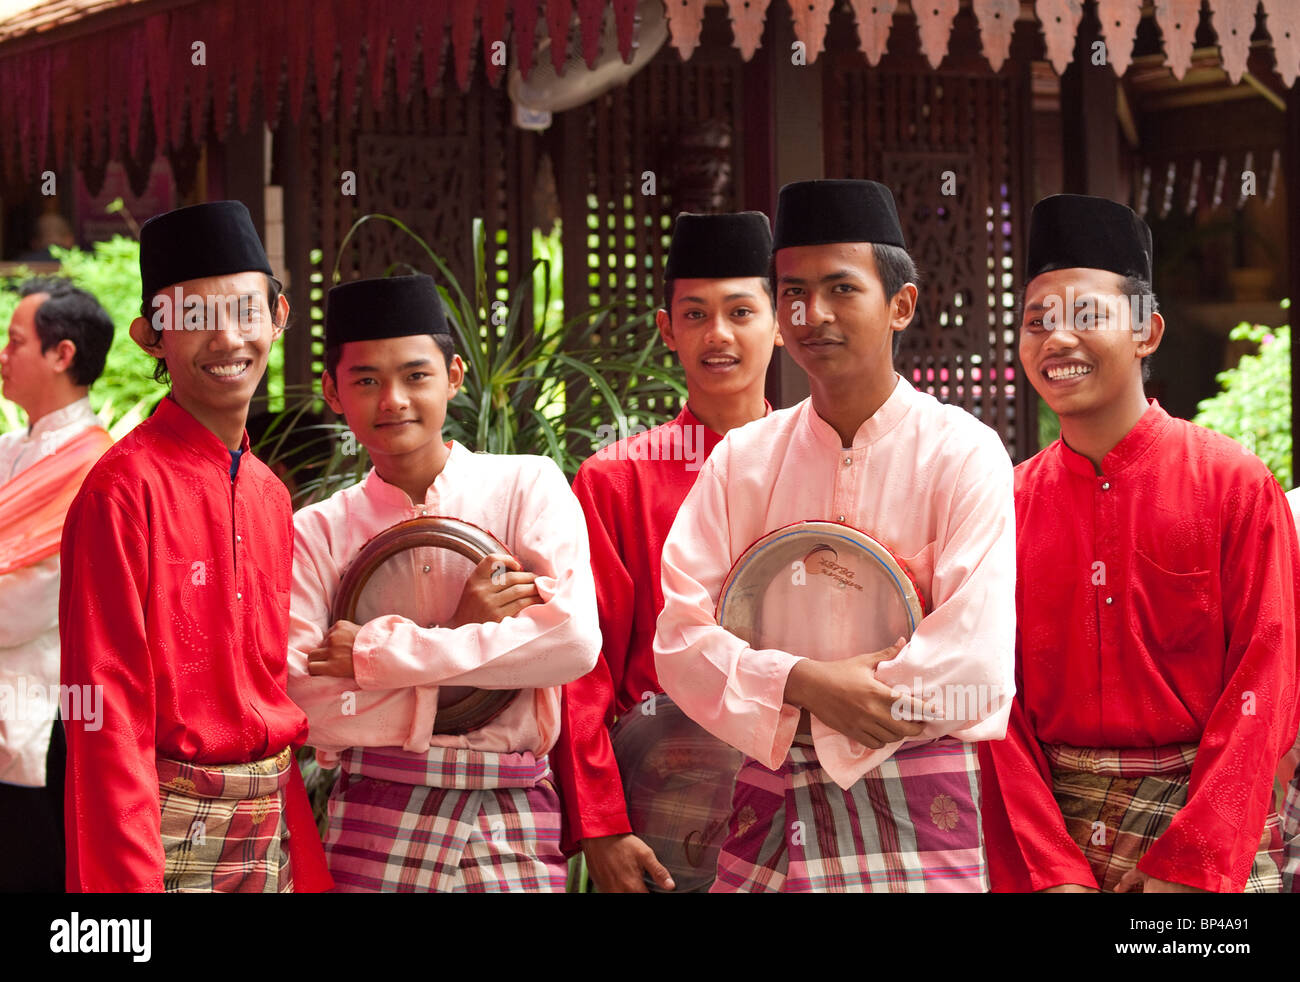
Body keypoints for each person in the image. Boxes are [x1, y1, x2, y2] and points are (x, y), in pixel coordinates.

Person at [653, 179, 1016, 892]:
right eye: (792, 292)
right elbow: (678, 639)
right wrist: (805, 681)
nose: (811, 314)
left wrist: (798, 698)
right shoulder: (742, 461)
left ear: (900, 306)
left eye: (841, 289)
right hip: (769, 791)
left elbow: (975, 666)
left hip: (918, 796)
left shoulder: (963, 452)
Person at [978, 193, 1300, 893]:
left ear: (1147, 331)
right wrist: (1052, 871)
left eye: (1085, 316)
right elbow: (988, 699)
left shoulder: (1236, 486)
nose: (1056, 340)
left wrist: (1191, 864)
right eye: (1037, 322)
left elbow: (1267, 680)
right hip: (1051, 836)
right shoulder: (1000, 505)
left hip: (1208, 829)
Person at [286, 273, 601, 892]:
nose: (393, 399)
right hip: (376, 812)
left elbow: (570, 646)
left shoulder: (527, 486)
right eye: (366, 380)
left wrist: (379, 656)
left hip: (510, 809)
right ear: (331, 391)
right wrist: (469, 636)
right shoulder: (315, 531)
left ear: (454, 375)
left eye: (416, 375)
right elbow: (310, 705)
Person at [58, 201, 331, 892]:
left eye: (245, 311)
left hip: (269, 825)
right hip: (167, 834)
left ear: (279, 317)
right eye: (195, 318)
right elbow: (104, 712)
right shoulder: (120, 491)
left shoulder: (271, 495)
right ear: (152, 338)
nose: (227, 338)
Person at [549, 212, 780, 892]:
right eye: (696, 313)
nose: (719, 335)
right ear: (666, 328)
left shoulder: (823, 468)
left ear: (779, 322)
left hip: (800, 787)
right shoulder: (615, 479)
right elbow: (579, 670)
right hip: (661, 788)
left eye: (741, 311)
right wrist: (601, 825)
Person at [0, 278, 113, 891]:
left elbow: (24, 604)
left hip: (39, 722)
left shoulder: (95, 467)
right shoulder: (6, 450)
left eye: (15, 342)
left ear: (61, 354)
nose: (2, 355)